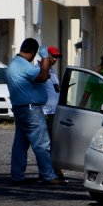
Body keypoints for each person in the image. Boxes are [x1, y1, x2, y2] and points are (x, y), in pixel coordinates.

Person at [6, 38, 63, 185]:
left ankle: (17, 176)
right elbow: (43, 76)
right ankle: (49, 176)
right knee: (42, 144)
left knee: (20, 144)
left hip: (20, 109)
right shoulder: (24, 66)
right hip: (31, 110)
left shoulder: (13, 64)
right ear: (32, 52)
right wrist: (44, 57)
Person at [41, 45, 67, 183]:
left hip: (55, 111)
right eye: (53, 56)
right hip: (46, 111)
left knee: (54, 143)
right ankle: (51, 172)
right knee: (48, 143)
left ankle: (53, 170)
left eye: (57, 57)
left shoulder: (53, 72)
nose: (56, 59)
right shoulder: (40, 69)